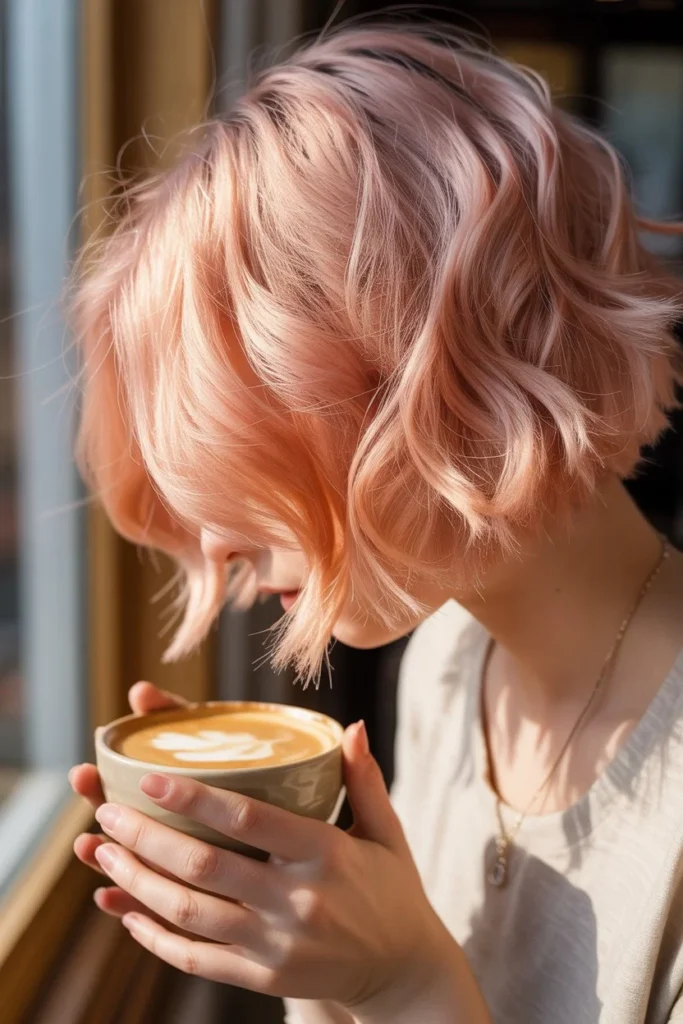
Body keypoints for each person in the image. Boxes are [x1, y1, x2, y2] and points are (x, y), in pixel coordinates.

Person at [68, 24, 683, 1024]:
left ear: (412, 387)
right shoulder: (446, 661)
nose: (214, 551)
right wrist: (325, 960)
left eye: (235, 475)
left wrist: (405, 984)